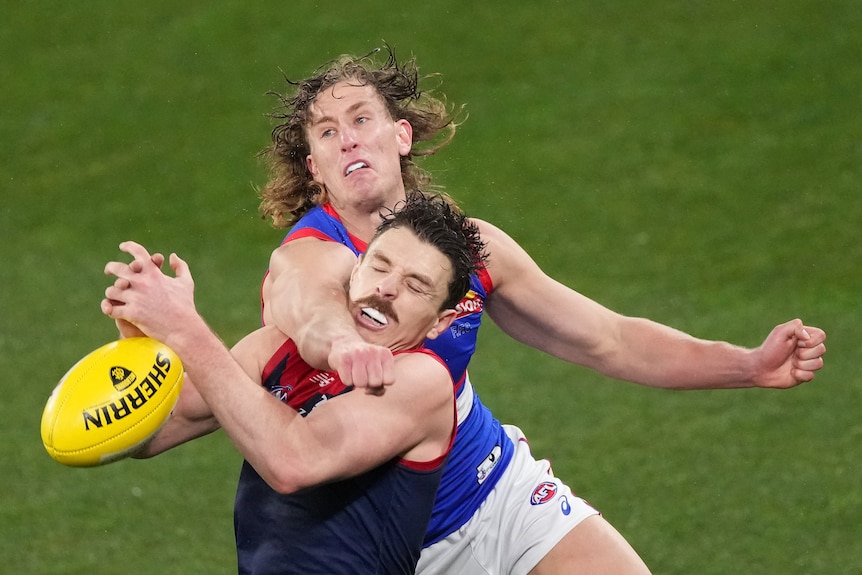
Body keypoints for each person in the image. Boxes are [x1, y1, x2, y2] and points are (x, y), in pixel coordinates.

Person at [256, 48, 827, 575]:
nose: (349, 140)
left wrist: (747, 366)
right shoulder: (311, 253)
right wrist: (342, 345)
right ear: (315, 168)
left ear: (400, 135)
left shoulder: (468, 250)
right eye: (328, 133)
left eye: (361, 120)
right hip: (392, 548)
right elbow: (309, 308)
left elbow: (608, 339)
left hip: (497, 491)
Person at [101, 193, 488, 574]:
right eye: (379, 266)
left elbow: (294, 462)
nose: (386, 288)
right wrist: (142, 345)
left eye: (416, 286)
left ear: (441, 322)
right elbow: (148, 434)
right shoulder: (277, 348)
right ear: (356, 272)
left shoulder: (421, 380)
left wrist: (186, 330)